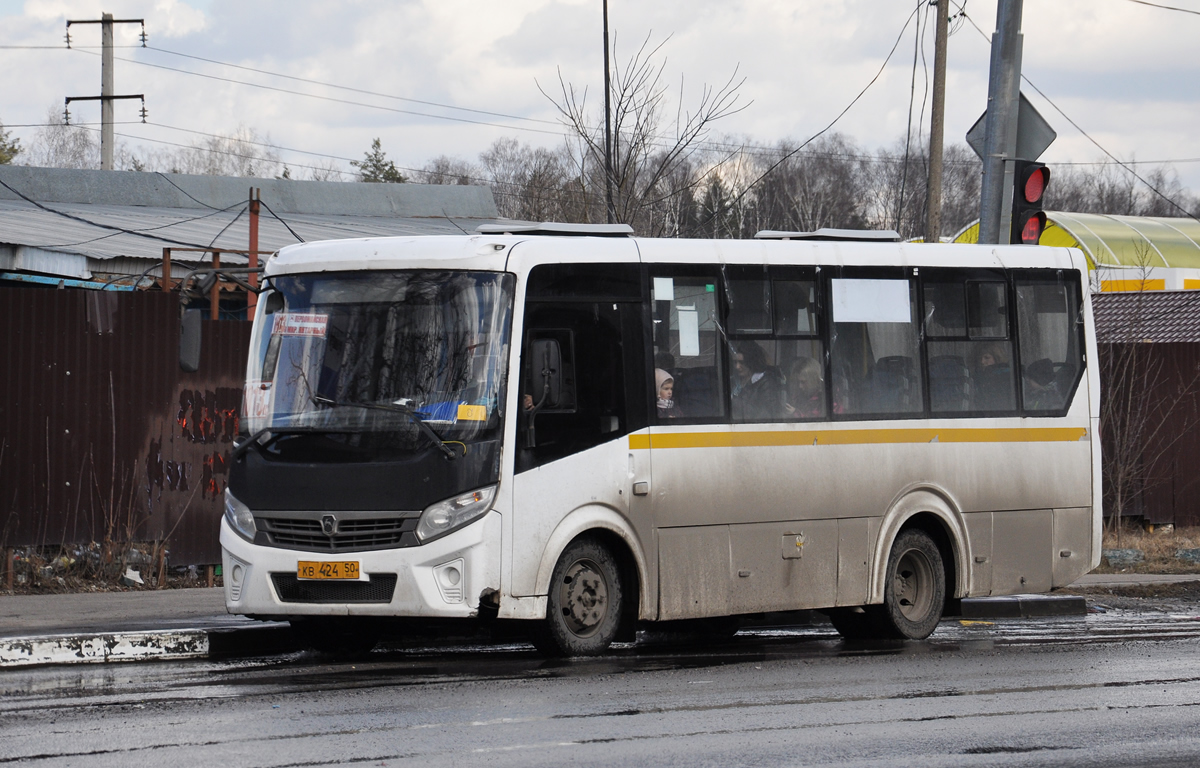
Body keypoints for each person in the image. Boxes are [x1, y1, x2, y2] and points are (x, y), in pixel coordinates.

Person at [731, 342, 785, 420]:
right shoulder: (733, 381)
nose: (737, 366)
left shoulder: (766, 383)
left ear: (751, 362)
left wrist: (733, 402)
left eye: (742, 362)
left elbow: (767, 413)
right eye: (735, 362)